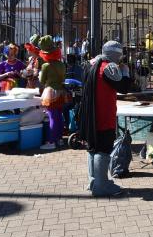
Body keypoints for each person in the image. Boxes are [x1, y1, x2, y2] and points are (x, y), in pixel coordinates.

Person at [78, 41, 131, 196]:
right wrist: (126, 72)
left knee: (92, 148)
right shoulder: (108, 67)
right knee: (103, 148)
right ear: (116, 54)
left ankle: (94, 182)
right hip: (103, 114)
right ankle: (101, 186)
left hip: (89, 115)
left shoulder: (91, 63)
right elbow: (123, 87)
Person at [38, 36, 67, 150]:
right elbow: (63, 78)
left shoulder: (46, 66)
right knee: (59, 116)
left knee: (52, 117)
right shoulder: (61, 64)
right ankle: (59, 139)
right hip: (61, 91)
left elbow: (41, 81)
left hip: (50, 92)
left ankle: (51, 141)